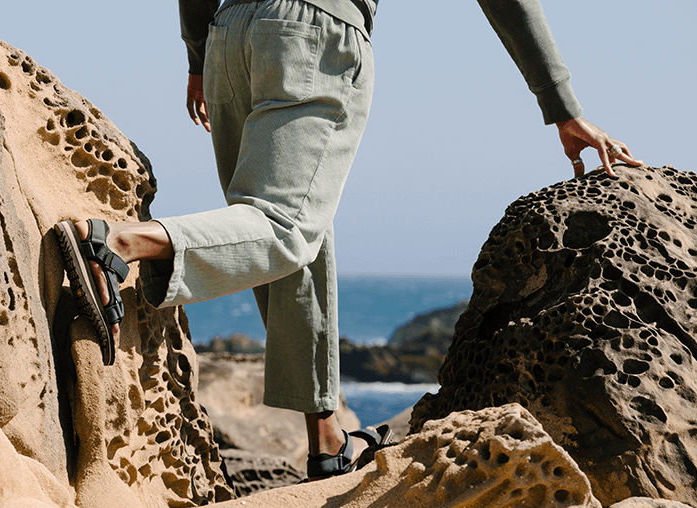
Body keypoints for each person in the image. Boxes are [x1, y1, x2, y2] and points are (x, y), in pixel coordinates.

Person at [54, 0, 642, 481]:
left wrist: (200, 51)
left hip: (231, 31)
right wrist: (562, 104)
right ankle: (120, 245)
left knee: (300, 236)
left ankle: (326, 441)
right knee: (284, 226)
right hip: (315, 30)